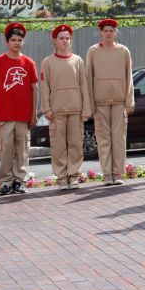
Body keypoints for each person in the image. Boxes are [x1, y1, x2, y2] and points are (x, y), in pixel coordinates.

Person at [0, 22, 38, 196]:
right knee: (6, 150)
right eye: (13, 40)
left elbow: (34, 89)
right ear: (7, 42)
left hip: (23, 115)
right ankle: (5, 182)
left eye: (19, 40)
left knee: (22, 150)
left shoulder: (29, 62)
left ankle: (19, 181)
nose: (17, 43)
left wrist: (33, 114)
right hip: (4, 115)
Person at [40, 24, 91, 190]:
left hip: (75, 110)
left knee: (76, 144)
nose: (65, 41)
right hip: (57, 112)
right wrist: (46, 109)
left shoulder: (78, 60)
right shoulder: (47, 62)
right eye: (61, 38)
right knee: (59, 145)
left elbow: (84, 85)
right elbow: (45, 87)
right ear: (55, 41)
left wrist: (86, 109)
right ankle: (62, 177)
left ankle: (74, 175)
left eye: (67, 38)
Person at [86, 18, 134, 186]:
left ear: (116, 32)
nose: (108, 33)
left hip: (119, 101)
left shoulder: (123, 51)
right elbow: (88, 77)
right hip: (100, 102)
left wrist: (129, 101)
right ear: (101, 32)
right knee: (103, 138)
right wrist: (90, 104)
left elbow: (129, 77)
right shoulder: (93, 51)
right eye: (105, 30)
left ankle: (118, 173)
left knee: (119, 138)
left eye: (111, 30)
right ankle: (107, 174)